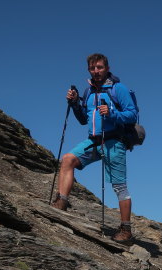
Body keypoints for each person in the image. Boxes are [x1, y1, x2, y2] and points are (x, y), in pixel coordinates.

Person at [51, 53, 137, 244]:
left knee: (119, 186)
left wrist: (112, 113)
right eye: (92, 68)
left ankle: (126, 230)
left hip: (114, 141)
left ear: (107, 68)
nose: (96, 71)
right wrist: (75, 103)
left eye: (99, 67)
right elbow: (83, 119)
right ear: (88, 69)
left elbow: (132, 115)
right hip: (94, 141)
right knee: (68, 159)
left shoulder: (118, 89)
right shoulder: (89, 91)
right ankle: (61, 202)